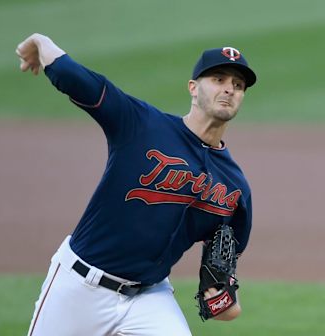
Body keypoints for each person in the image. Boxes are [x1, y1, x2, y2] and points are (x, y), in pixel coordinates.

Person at [16, 33, 257, 336]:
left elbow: (223, 271)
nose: (229, 89)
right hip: (79, 287)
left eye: (238, 85)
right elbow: (81, 82)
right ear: (193, 88)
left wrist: (224, 300)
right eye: (219, 79)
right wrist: (41, 43)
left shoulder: (233, 186)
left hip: (148, 297)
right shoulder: (142, 125)